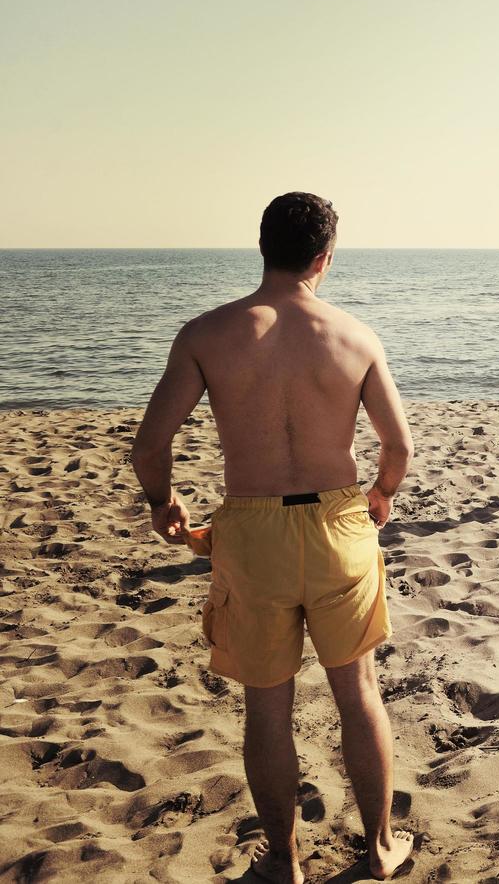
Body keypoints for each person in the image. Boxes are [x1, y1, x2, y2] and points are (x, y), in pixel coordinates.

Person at [131, 192, 417, 882]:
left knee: (267, 704)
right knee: (359, 693)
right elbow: (398, 446)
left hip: (252, 530)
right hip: (337, 524)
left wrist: (163, 503)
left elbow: (149, 445)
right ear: (325, 257)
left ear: (262, 247)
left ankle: (283, 861)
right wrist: (379, 495)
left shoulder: (207, 334)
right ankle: (378, 850)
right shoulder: (354, 337)